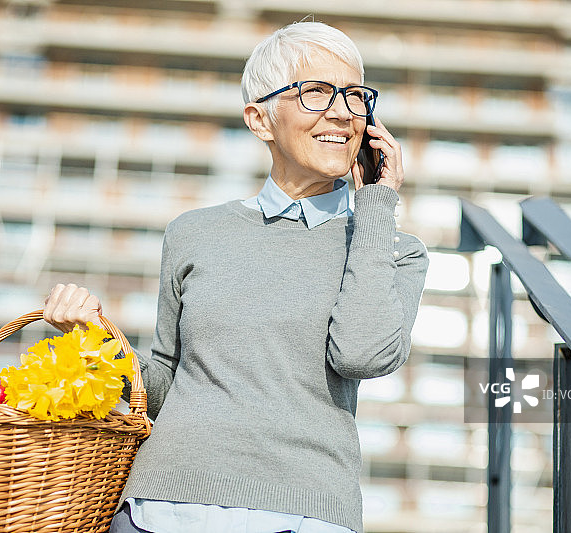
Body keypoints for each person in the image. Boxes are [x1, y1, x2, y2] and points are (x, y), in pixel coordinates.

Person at [43, 21, 428, 533]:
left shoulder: (395, 251)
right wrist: (95, 341)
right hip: (159, 510)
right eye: (316, 92)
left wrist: (377, 202)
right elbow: (166, 387)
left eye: (355, 96)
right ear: (259, 119)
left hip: (306, 515)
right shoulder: (194, 233)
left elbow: (361, 353)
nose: (342, 111)